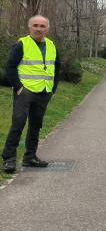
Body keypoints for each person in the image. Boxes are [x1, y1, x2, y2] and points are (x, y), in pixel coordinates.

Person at [2, 15, 60, 173]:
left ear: (47, 29)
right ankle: (9, 159)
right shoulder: (22, 44)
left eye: (42, 26)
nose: (39, 29)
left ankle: (30, 157)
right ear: (30, 27)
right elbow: (10, 67)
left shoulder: (51, 45)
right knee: (18, 124)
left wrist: (53, 88)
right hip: (25, 91)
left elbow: (56, 67)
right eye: (35, 25)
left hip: (44, 92)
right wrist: (19, 87)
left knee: (36, 125)